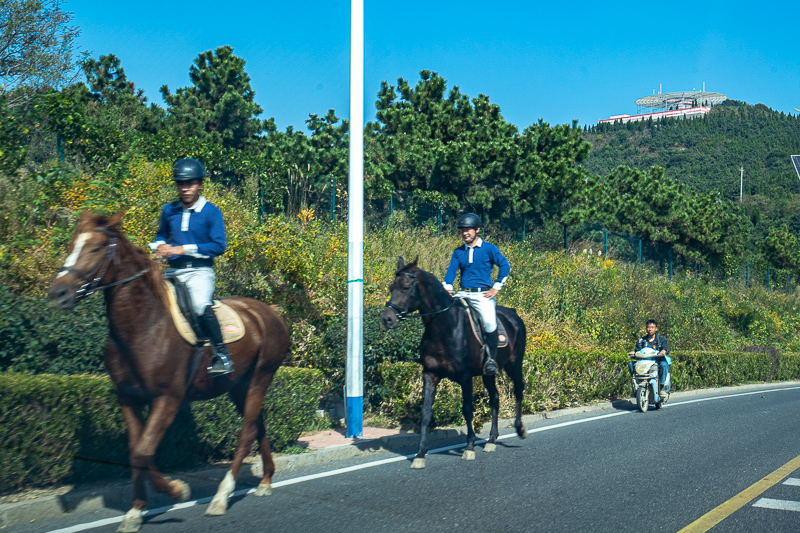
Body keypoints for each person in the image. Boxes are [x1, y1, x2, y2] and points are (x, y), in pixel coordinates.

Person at [149, 158, 233, 376]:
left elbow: (218, 246)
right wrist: (159, 245)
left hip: (199, 272)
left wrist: (181, 249)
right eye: (180, 184)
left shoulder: (211, 212)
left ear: (199, 184)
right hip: (173, 272)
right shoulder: (169, 210)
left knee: (198, 305)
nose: (185, 188)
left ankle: (221, 355)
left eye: (190, 183)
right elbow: (159, 235)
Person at [442, 213, 510, 376]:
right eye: (463, 230)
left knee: (489, 323)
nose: (465, 233)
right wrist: (448, 286)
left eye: (469, 230)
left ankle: (491, 360)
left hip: (483, 295)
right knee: (445, 315)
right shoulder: (458, 252)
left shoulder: (489, 249)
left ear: (477, 230)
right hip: (463, 293)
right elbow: (451, 271)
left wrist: (496, 287)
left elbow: (505, 266)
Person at [628, 319, 670, 397]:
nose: (650, 329)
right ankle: (635, 384)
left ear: (656, 329)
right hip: (644, 362)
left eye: (652, 327)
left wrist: (663, 351)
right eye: (648, 327)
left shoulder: (661, 339)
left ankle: (662, 387)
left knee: (664, 365)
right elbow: (638, 351)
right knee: (631, 364)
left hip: (657, 361)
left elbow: (666, 348)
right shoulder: (641, 340)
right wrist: (634, 353)